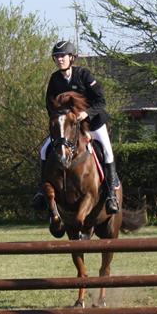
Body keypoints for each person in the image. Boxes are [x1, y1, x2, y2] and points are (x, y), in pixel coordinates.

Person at [36, 40, 120, 213]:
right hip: (67, 127)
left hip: (93, 123)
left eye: (62, 56)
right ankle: (41, 192)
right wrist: (59, 121)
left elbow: (101, 101)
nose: (59, 60)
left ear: (71, 57)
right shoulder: (54, 79)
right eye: (57, 57)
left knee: (107, 150)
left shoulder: (84, 75)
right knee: (44, 150)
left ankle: (111, 195)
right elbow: (49, 105)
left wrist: (86, 113)